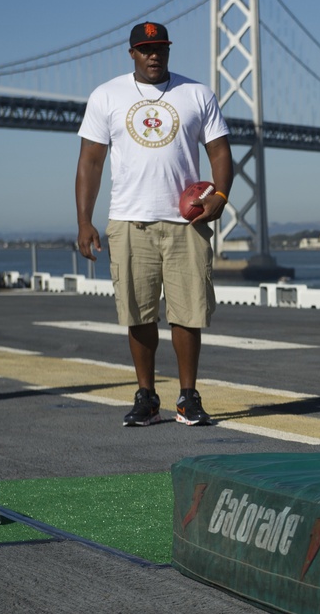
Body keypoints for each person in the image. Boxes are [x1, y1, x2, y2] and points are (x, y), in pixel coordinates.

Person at [75, 22, 233, 428]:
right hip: (129, 220)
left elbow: (220, 151)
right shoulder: (106, 95)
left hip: (186, 220)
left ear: (168, 49)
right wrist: (84, 221)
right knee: (138, 313)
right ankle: (146, 397)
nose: (153, 55)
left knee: (188, 313)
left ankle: (188, 397)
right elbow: (91, 161)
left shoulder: (197, 93)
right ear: (132, 53)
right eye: (145, 49)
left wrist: (220, 196)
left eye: (160, 47)